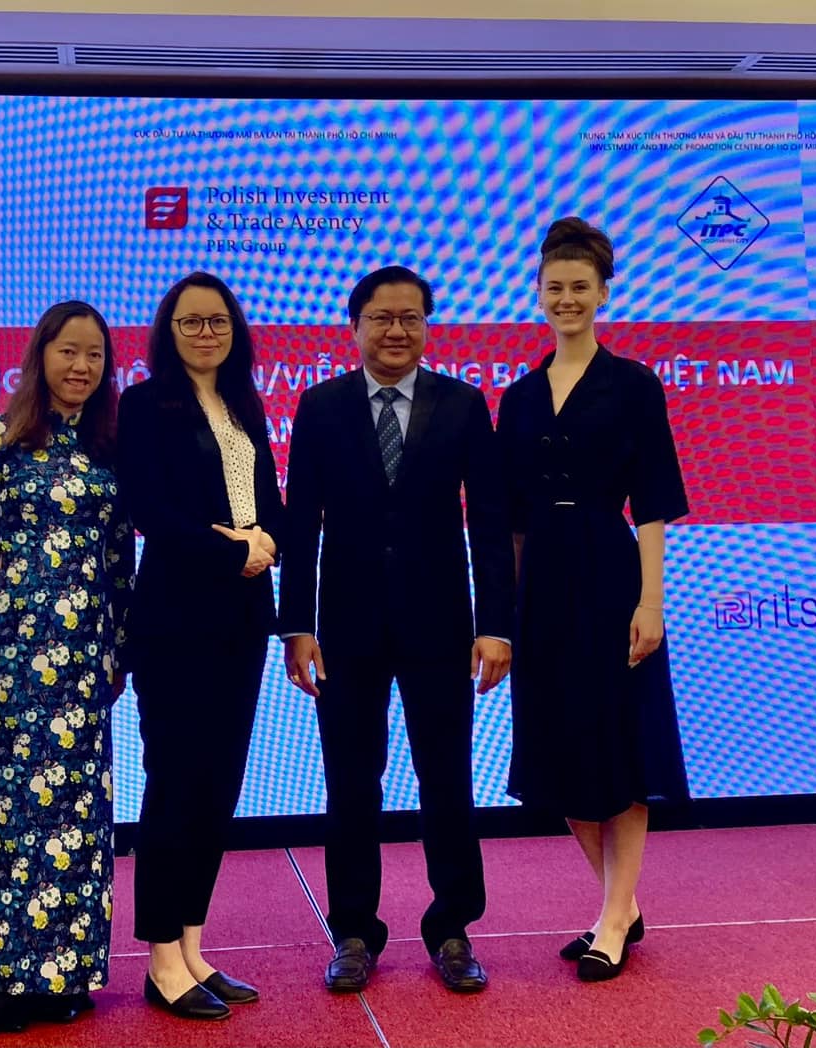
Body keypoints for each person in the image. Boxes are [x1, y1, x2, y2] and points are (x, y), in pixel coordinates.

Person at [280, 266, 512, 995]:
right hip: (346, 626)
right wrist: (296, 625)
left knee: (448, 778)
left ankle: (453, 929)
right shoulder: (320, 406)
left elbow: (490, 522)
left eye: (411, 317)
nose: (396, 331)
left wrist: (496, 625)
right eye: (381, 318)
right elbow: (300, 523)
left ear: (427, 326)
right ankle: (354, 931)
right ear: (355, 327)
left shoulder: (463, 404)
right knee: (351, 781)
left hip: (441, 623)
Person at [495, 217, 691, 983]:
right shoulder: (517, 398)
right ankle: (623, 903)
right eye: (555, 288)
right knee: (557, 754)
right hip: (540, 586)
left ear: (604, 293)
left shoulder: (634, 385)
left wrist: (651, 602)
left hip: (611, 577)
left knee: (621, 750)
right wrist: (504, 614)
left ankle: (612, 920)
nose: (567, 299)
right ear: (538, 294)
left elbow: (652, 504)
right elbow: (509, 519)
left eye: (581, 287)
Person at [0, 300, 131, 1035]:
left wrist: (120, 648)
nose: (81, 366)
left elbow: (120, 557)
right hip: (14, 655)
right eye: (68, 351)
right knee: (8, 814)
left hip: (84, 659)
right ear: (40, 357)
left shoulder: (111, 446)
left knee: (74, 817)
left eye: (95, 354)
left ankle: (63, 974)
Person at [117, 271, 285, 1021]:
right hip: (176, 617)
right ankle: (160, 960)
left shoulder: (244, 402)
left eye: (217, 321)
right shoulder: (145, 404)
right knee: (176, 783)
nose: (206, 333)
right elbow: (148, 508)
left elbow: (268, 501)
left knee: (218, 785)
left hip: (242, 617)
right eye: (191, 322)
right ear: (169, 330)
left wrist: (270, 541)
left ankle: (191, 945)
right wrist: (232, 551)